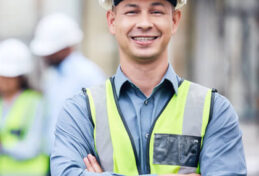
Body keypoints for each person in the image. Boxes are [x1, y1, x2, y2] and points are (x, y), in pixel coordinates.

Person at [51, 0, 247, 175]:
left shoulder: (214, 110)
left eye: (156, 11)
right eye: (132, 11)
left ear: (175, 20)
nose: (144, 23)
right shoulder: (80, 111)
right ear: (112, 21)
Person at [30, 13, 106, 154]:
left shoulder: (89, 75)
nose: (44, 56)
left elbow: (101, 121)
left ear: (65, 47)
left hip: (79, 159)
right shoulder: (52, 76)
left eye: (49, 51)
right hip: (54, 156)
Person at [0, 39, 49, 176]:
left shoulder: (35, 102)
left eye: (2, 76)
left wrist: (1, 146)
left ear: (17, 77)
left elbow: (32, 147)